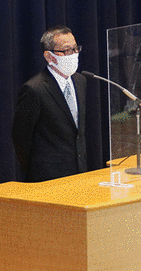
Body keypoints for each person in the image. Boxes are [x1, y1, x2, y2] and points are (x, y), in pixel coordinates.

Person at [12, 25, 88, 182]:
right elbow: (21, 137)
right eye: (66, 50)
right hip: (48, 177)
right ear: (49, 56)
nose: (74, 54)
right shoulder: (34, 89)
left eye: (75, 49)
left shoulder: (80, 81)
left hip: (79, 172)